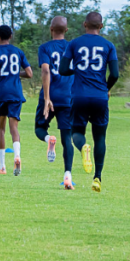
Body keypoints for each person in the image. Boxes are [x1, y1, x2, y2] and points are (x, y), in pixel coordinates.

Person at [59, 12, 118, 192]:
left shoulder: (74, 43)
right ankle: (97, 178)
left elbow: (62, 69)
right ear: (101, 26)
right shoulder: (108, 45)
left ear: (85, 24)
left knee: (76, 132)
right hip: (100, 96)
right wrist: (106, 88)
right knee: (100, 137)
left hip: (79, 96)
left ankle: (83, 147)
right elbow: (115, 74)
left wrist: (77, 70)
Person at [0, 25, 33, 176]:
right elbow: (29, 73)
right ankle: (17, 156)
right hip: (15, 93)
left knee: (0, 129)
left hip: (0, 93)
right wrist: (16, 74)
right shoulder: (18, 51)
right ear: (11, 36)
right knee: (14, 128)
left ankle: (2, 167)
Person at [36, 16, 75, 189]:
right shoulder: (73, 47)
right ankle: (68, 175)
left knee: (39, 128)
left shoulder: (45, 48)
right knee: (67, 138)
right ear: (66, 30)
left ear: (51, 29)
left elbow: (45, 70)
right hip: (67, 97)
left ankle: (48, 139)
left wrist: (46, 98)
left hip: (50, 95)